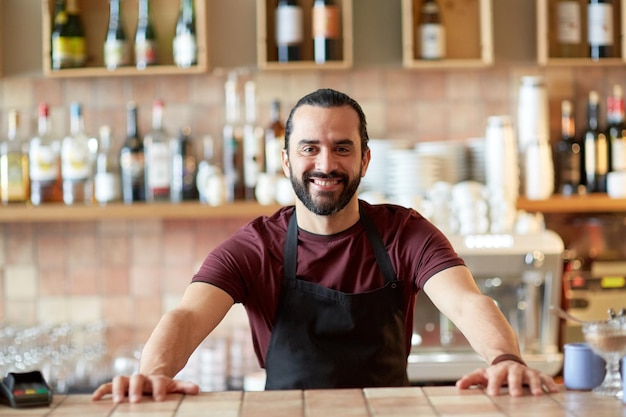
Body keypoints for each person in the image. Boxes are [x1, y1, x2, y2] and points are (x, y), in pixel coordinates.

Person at [92, 88, 559, 403]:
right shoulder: (257, 245)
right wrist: (154, 373)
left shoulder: (405, 234)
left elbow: (467, 300)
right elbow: (189, 315)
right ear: (286, 160)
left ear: (365, 158)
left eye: (342, 147)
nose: (325, 162)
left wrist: (505, 359)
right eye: (309, 148)